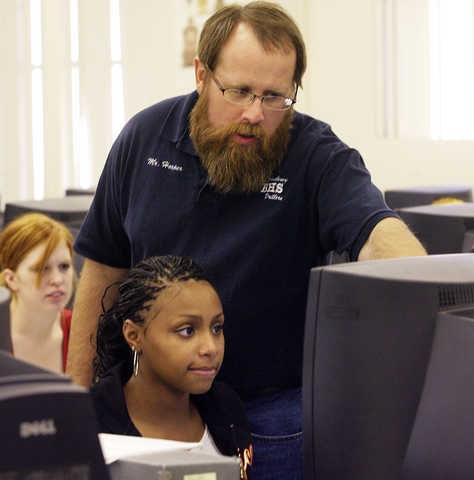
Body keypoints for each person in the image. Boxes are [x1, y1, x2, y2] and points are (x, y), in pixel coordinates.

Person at [67, 2, 426, 479]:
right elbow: (103, 268)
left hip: (269, 414)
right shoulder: (144, 139)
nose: (255, 114)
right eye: (239, 91)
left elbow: (375, 230)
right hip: (150, 406)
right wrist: (76, 403)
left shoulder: (316, 155)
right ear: (201, 74)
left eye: (276, 96)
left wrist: (426, 281)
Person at [91, 255, 253, 479]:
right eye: (187, 330)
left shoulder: (226, 409)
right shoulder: (89, 423)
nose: (211, 348)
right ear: (134, 335)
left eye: (217, 328)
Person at [0, 213, 75, 373]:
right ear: (11, 279)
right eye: (42, 269)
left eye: (64, 266)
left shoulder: (81, 331)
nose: (57, 280)